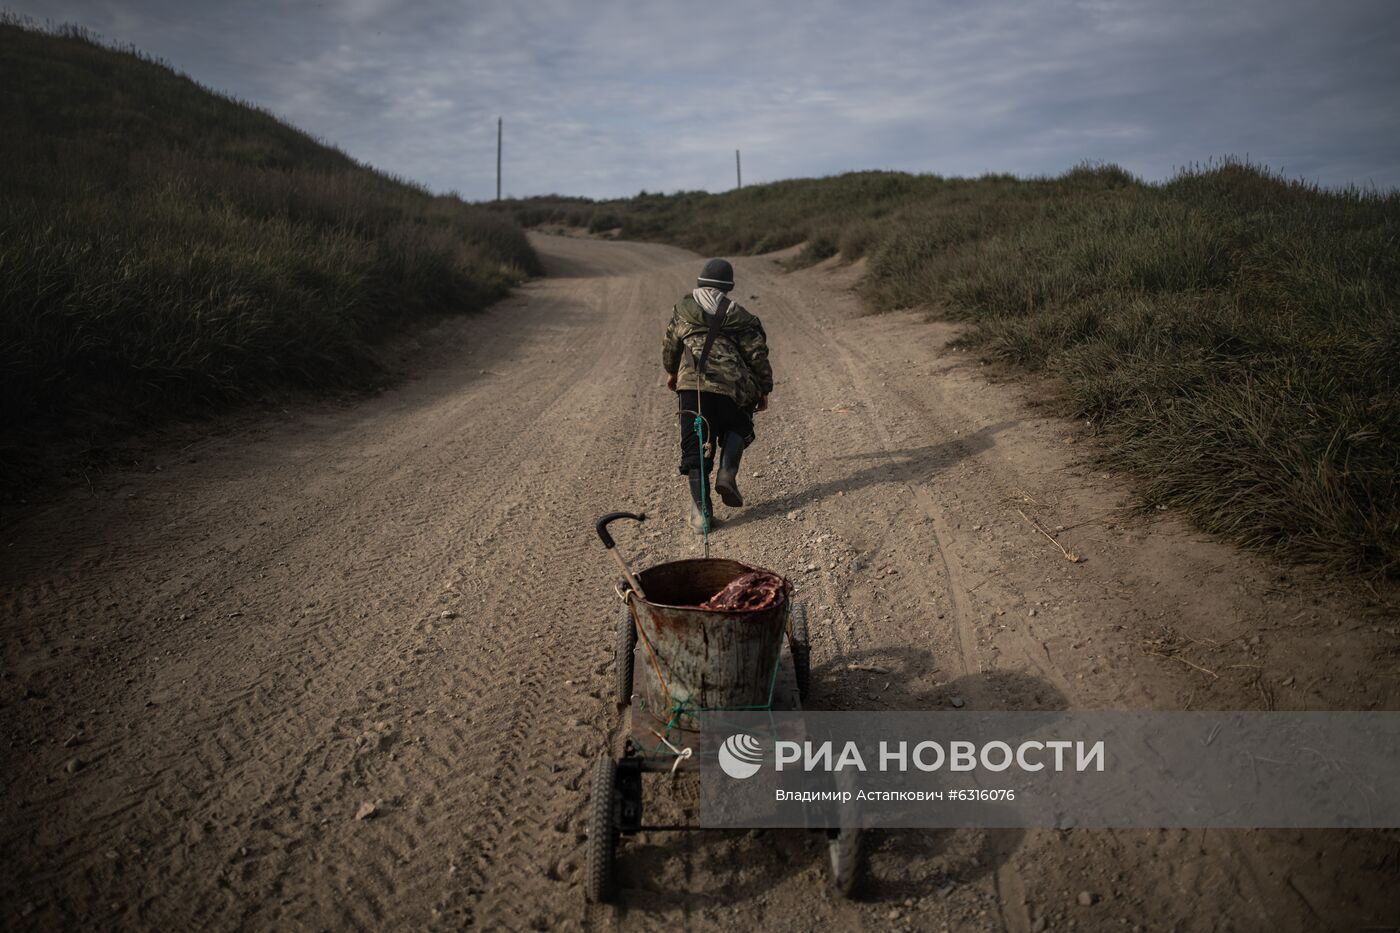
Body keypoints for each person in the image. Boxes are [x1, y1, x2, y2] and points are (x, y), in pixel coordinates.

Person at [662, 258, 773, 533]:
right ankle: (727, 472)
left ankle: (701, 517)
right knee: (738, 425)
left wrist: (672, 372)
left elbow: (671, 346)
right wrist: (764, 388)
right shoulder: (741, 317)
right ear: (728, 287)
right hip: (731, 385)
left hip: (692, 386)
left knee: (695, 446)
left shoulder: (683, 309)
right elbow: (757, 356)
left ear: (700, 282)